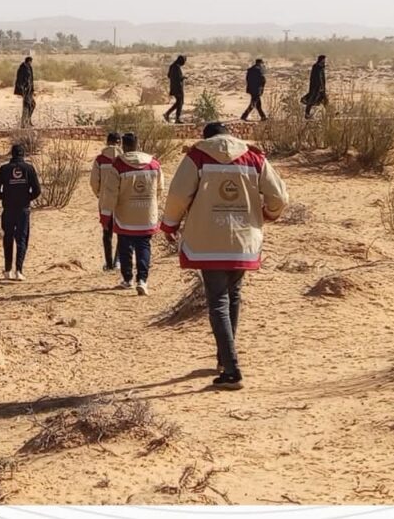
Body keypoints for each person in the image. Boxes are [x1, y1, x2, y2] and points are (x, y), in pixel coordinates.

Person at [159, 122, 288, 390]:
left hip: (208, 240)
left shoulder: (198, 156)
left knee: (218, 300)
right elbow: (278, 196)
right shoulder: (254, 157)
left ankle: (231, 369)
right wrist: (268, 214)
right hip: (242, 239)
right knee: (234, 295)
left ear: (207, 138)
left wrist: (170, 225)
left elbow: (178, 195)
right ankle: (223, 358)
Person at [101, 132, 163, 295]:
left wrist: (106, 215)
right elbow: (160, 189)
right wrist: (151, 204)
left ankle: (128, 279)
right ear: (138, 144)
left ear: (124, 146)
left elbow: (110, 193)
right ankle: (142, 280)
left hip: (125, 216)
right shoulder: (154, 164)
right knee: (144, 246)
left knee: (125, 246)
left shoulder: (118, 165)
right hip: (147, 215)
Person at [0, 144, 42, 281]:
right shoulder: (29, 169)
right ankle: (19, 270)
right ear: (23, 154)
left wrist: (5, 197)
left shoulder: (4, 169)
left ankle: (8, 270)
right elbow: (37, 190)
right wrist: (26, 198)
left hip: (8, 209)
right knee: (21, 239)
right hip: (23, 210)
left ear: (12, 154)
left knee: (8, 238)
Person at [89, 132, 122, 271]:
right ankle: (118, 261)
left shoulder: (100, 159)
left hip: (105, 200)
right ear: (120, 143)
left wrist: (99, 194)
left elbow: (93, 181)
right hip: (121, 201)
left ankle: (108, 263)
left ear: (107, 142)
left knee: (106, 231)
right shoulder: (124, 159)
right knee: (122, 231)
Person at [301, 55, 328, 119]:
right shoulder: (316, 67)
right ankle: (307, 114)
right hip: (315, 87)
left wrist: (323, 87)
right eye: (323, 59)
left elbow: (322, 78)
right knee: (311, 100)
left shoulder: (322, 67)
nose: (324, 61)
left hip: (321, 87)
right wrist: (316, 86)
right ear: (321, 60)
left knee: (325, 100)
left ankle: (329, 112)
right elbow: (314, 78)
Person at [163, 55, 187, 124]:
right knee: (180, 102)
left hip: (173, 87)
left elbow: (169, 76)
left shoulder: (172, 66)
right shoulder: (176, 67)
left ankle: (168, 114)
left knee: (179, 102)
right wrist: (183, 77)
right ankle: (176, 118)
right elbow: (178, 78)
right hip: (178, 88)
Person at [14, 56, 36, 128]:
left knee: (32, 105)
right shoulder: (22, 68)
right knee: (27, 106)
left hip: (29, 90)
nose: (31, 63)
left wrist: (32, 89)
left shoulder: (29, 67)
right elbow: (19, 79)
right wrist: (22, 89)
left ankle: (28, 120)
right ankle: (23, 123)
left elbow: (31, 79)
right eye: (30, 62)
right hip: (25, 90)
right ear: (28, 61)